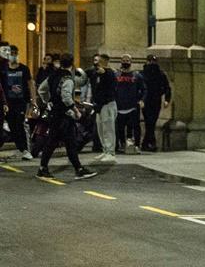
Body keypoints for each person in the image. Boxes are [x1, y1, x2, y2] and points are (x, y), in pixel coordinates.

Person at [36, 53, 95, 181]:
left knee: (61, 142)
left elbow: (41, 89)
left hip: (55, 113)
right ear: (72, 63)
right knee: (65, 143)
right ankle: (77, 170)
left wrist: (49, 101)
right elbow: (66, 98)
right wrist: (76, 110)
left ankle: (46, 168)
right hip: (64, 115)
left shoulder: (53, 75)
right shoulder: (68, 79)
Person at [2, 44, 36, 160]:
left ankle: (26, 150)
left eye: (15, 53)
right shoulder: (3, 69)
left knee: (21, 124)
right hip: (8, 103)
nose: (13, 56)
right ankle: (20, 148)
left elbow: (30, 84)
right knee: (12, 126)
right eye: (11, 54)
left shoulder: (24, 69)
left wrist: (33, 101)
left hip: (21, 102)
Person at [113, 56, 146, 154]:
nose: (125, 62)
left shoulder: (136, 75)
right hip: (119, 106)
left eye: (127, 61)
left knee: (135, 127)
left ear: (131, 62)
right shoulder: (116, 75)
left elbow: (144, 89)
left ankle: (136, 145)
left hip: (133, 106)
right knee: (120, 128)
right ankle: (122, 144)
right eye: (123, 60)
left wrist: (142, 100)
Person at [90, 53, 118, 162]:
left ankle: (111, 152)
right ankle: (105, 150)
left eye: (100, 61)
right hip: (99, 105)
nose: (98, 63)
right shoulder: (97, 74)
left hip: (108, 105)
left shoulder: (110, 73)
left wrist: (104, 72)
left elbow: (110, 82)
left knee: (108, 129)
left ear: (105, 61)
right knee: (101, 129)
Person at [140, 54, 171, 152]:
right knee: (149, 121)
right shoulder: (142, 74)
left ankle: (146, 143)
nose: (152, 63)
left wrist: (167, 99)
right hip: (146, 100)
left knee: (151, 121)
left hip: (156, 99)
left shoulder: (161, 74)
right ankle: (151, 143)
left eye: (154, 61)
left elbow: (167, 88)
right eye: (150, 61)